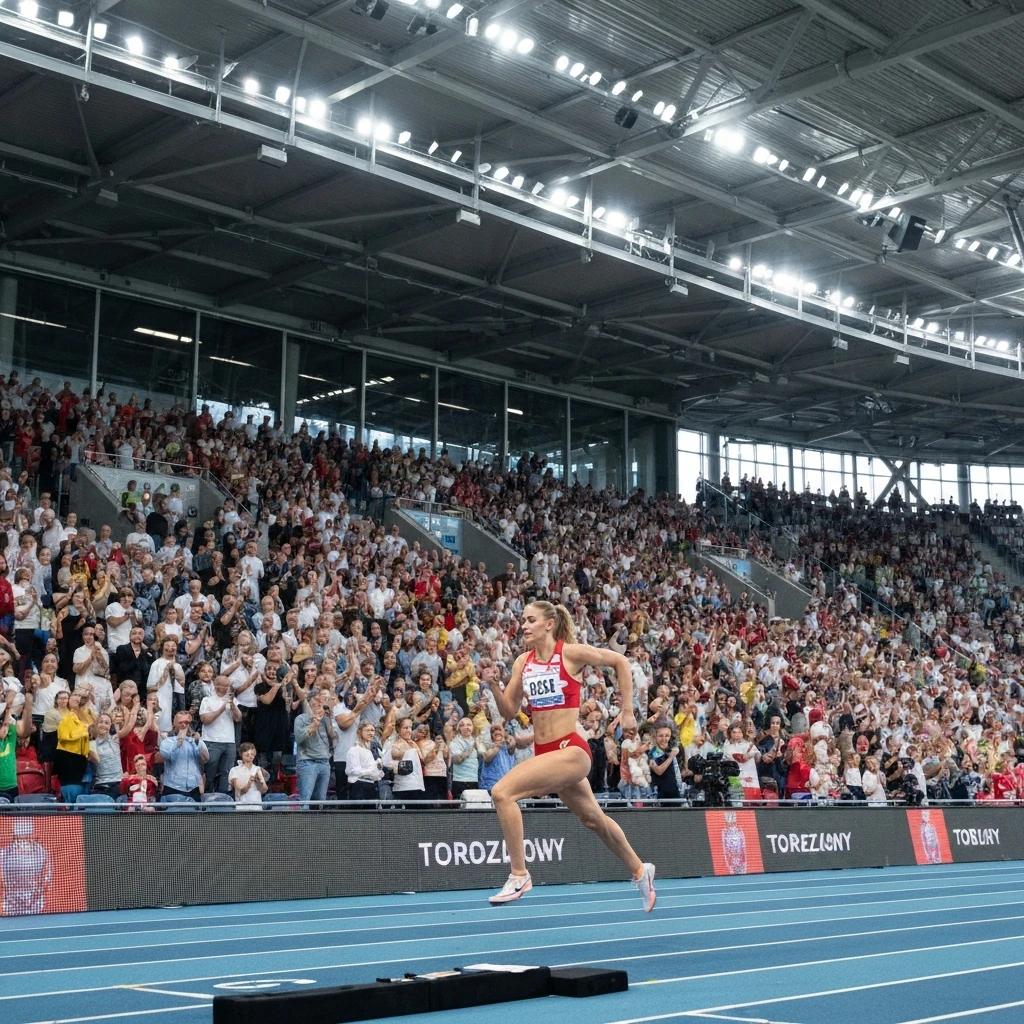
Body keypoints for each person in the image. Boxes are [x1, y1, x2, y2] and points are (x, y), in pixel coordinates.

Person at [487, 601, 655, 909]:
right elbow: (509, 710)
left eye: (530, 620)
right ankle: (641, 871)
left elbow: (619, 661)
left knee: (502, 793)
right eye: (522, 620)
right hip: (545, 753)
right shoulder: (522, 662)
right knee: (593, 820)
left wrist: (628, 710)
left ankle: (519, 873)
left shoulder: (570, 653)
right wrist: (494, 688)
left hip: (572, 749)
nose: (523, 625)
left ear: (549, 624)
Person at [158, 710, 209, 800]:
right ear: (175, 724)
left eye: (186, 723)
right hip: (173, 786)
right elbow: (167, 756)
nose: (184, 725)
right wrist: (178, 743)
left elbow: (205, 759)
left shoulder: (195, 741)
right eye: (181, 723)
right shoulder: (167, 741)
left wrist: (198, 744)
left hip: (193, 787)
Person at [345, 721, 384, 802]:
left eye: (372, 730)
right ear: (360, 732)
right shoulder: (354, 750)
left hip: (372, 785)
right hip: (359, 786)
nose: (370, 733)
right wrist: (371, 771)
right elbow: (353, 770)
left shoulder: (374, 751)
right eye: (367, 730)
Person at [228, 742, 268, 810]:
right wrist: (250, 782)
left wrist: (259, 782)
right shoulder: (235, 770)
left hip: (257, 807)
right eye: (247, 754)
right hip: (242, 808)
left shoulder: (257, 769)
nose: (250, 756)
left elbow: (264, 790)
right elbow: (240, 792)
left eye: (252, 754)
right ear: (241, 754)